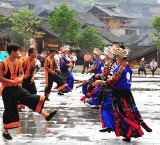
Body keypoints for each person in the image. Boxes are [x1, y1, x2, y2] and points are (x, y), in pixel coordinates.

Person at [93, 44, 152, 142]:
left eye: (117, 57)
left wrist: (100, 81)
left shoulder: (120, 68)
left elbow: (112, 82)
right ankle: (126, 133)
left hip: (119, 94)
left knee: (119, 113)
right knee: (127, 114)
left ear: (120, 58)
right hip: (126, 93)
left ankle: (114, 127)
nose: (115, 58)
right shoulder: (128, 68)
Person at [0, 44, 57, 140]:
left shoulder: (18, 62)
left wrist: (20, 79)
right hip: (7, 89)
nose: (19, 53)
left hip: (17, 88)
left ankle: (46, 115)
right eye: (17, 51)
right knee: (10, 110)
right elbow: (0, 77)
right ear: (12, 52)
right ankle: (6, 132)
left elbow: (22, 73)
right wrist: (12, 81)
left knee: (30, 98)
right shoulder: (3, 63)